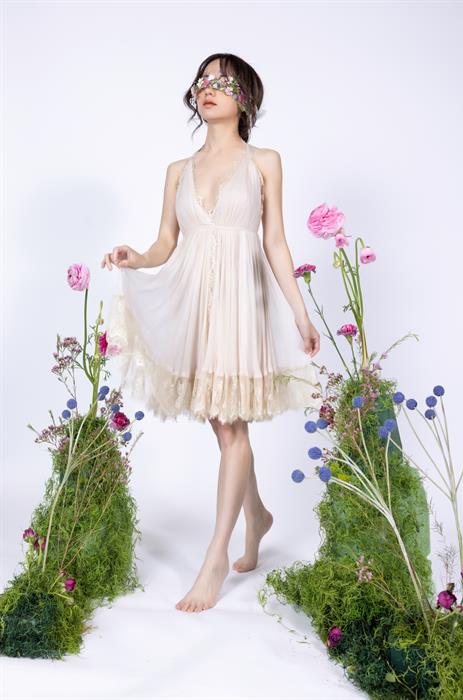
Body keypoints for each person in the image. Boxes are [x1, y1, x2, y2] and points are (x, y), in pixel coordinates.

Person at [101, 53, 323, 613]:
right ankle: (257, 514)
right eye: (203, 79)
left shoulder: (264, 161)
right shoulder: (178, 169)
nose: (209, 88)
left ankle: (216, 556)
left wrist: (300, 313)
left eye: (223, 81)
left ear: (245, 97)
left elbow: (275, 241)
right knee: (221, 421)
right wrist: (135, 257)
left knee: (229, 426)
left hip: (241, 304)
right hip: (194, 300)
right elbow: (165, 243)